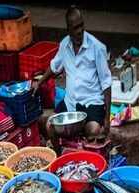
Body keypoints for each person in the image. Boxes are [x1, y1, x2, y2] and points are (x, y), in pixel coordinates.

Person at [33, 6, 112, 152]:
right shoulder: (64, 45)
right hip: (70, 103)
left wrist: (107, 119)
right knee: (49, 126)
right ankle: (60, 155)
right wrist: (40, 82)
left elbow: (107, 83)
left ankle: (84, 148)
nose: (80, 30)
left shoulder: (97, 47)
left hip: (92, 102)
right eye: (75, 27)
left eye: (81, 25)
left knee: (93, 130)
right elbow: (54, 67)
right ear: (68, 29)